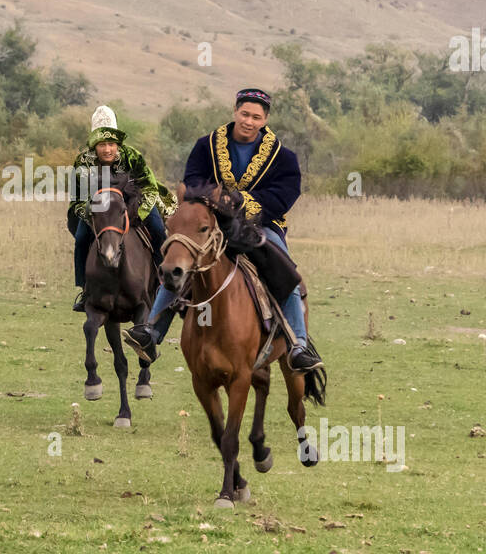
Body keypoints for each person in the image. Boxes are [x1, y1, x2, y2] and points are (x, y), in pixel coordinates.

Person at [124, 87, 324, 373]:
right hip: (211, 223)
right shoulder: (206, 146)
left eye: (256, 117)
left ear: (265, 120)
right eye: (244, 114)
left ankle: (298, 345)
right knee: (177, 262)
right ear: (235, 112)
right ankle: (151, 332)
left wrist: (243, 202)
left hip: (261, 225)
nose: (249, 121)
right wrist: (214, 200)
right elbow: (192, 180)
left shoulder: (284, 157)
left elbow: (285, 194)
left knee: (284, 268)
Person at [68, 106, 175, 312]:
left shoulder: (132, 156)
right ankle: (85, 289)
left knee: (158, 229)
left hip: (137, 201)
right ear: (94, 144)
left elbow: (150, 187)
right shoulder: (83, 162)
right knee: (81, 238)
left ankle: (163, 282)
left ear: (117, 143)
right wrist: (92, 215)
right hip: (98, 208)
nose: (107, 149)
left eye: (111, 144)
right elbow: (78, 199)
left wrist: (137, 213)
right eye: (102, 144)